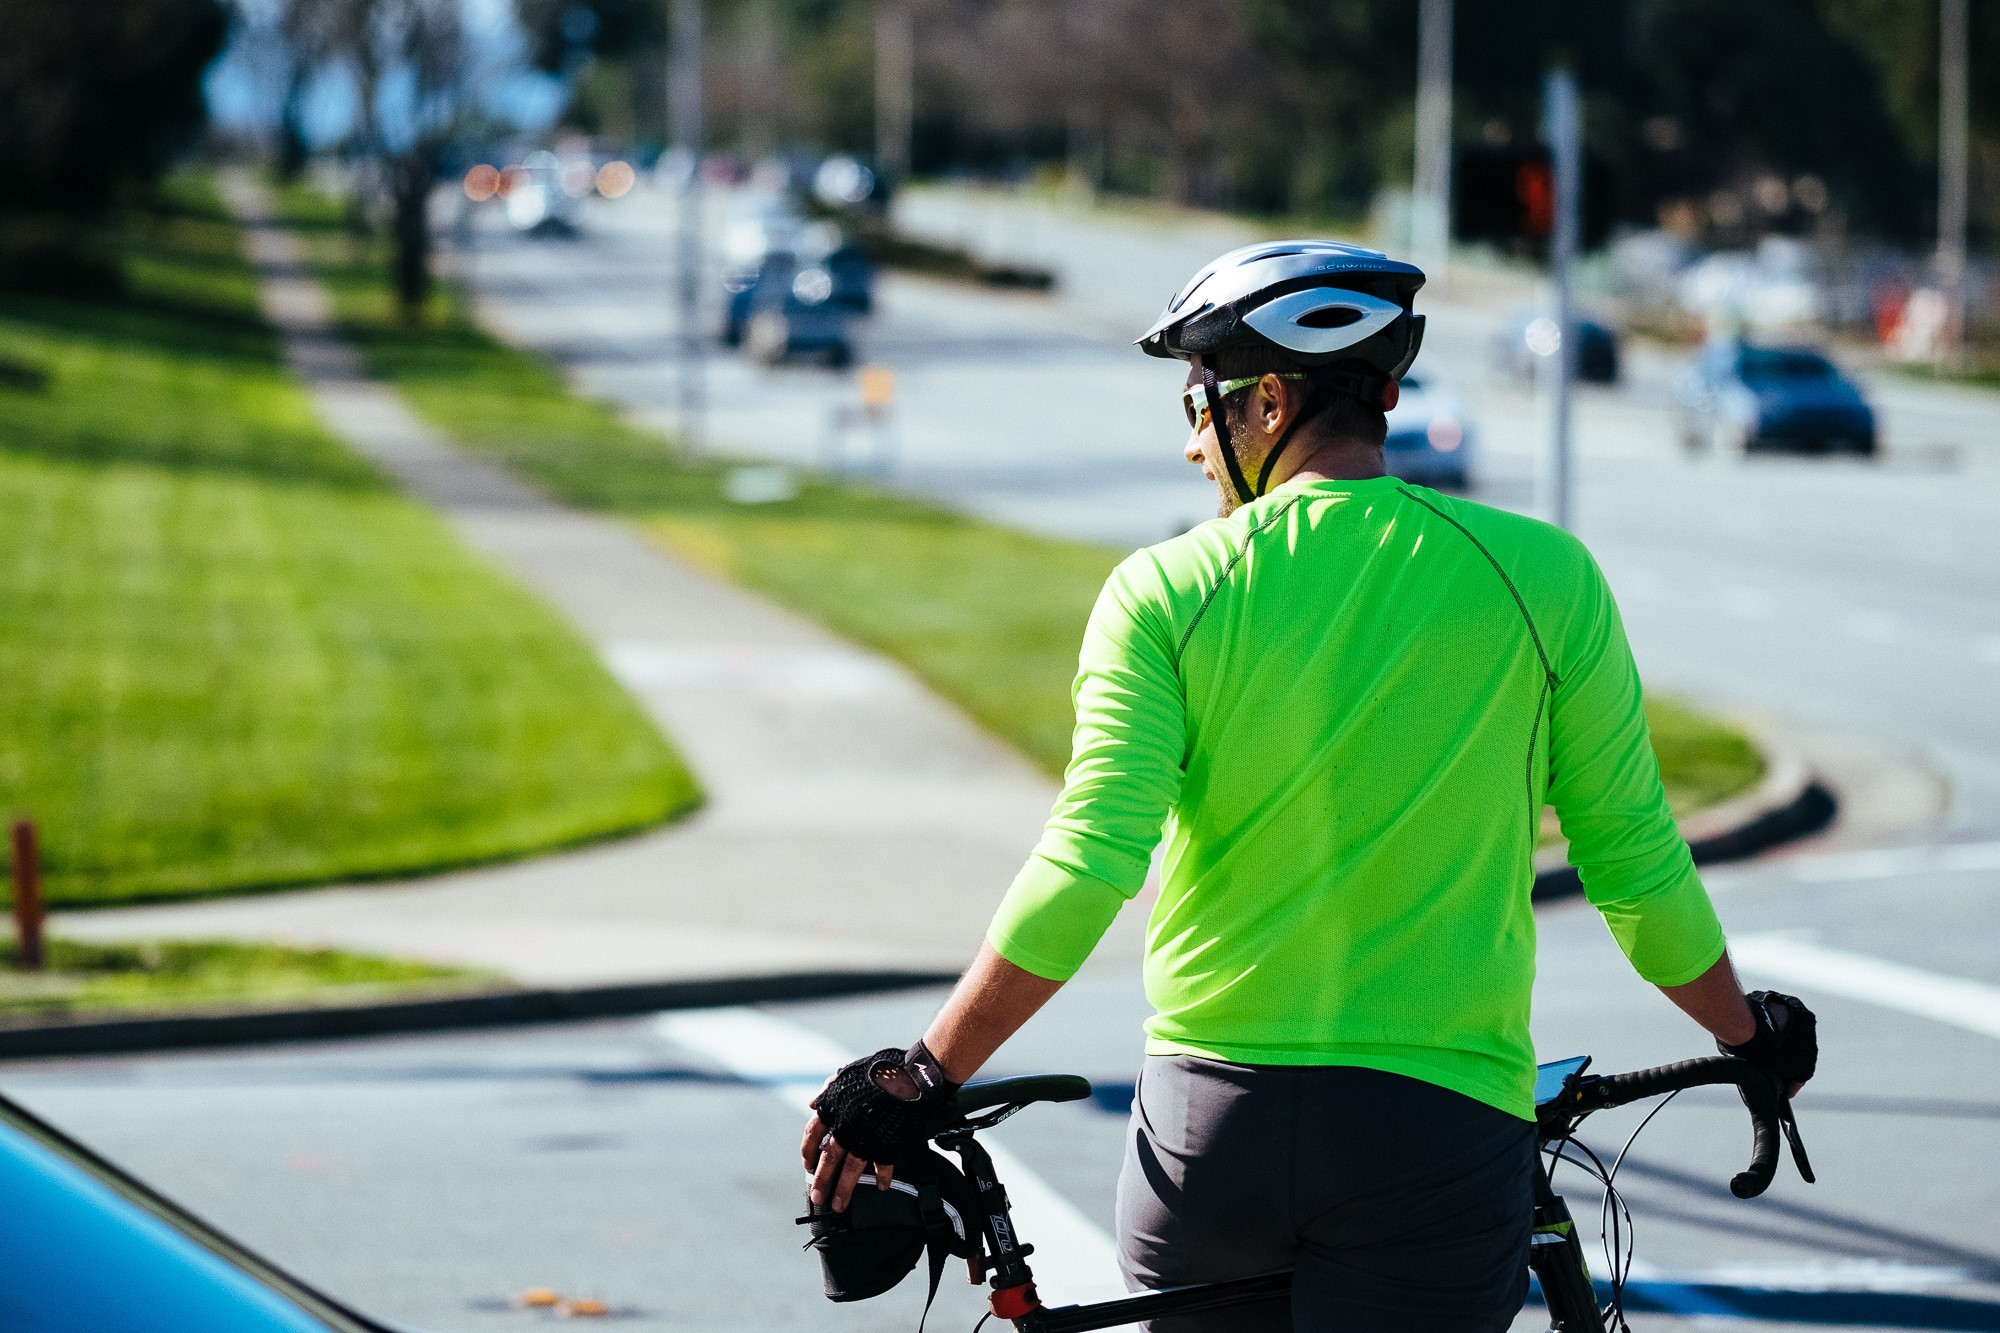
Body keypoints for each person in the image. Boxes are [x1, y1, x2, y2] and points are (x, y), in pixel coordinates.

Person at [800, 240, 1818, 1332]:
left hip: (1209, 1137)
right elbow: (1633, 864)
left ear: (1271, 400)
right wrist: (1743, 1034)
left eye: (1198, 405)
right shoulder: (1545, 578)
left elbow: (1090, 860)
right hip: (1435, 1139)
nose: (1194, 444)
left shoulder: (1164, 590)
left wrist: (924, 1071)